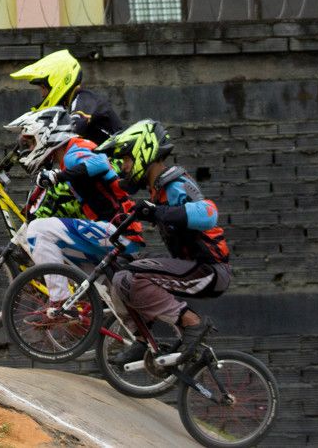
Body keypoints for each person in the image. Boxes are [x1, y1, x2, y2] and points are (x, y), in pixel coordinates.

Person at [96, 120, 230, 363]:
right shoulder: (157, 189)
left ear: (142, 151)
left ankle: (192, 322)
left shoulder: (175, 183)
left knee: (132, 276)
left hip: (209, 269)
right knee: (122, 276)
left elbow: (208, 213)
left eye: (126, 159)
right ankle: (143, 339)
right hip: (192, 269)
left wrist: (157, 212)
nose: (124, 167)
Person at [4, 107, 144, 307]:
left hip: (119, 233)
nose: (30, 148)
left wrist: (57, 176)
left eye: (32, 141)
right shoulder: (69, 157)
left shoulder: (74, 151)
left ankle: (60, 302)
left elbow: (101, 163)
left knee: (38, 230)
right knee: (66, 260)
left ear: (47, 135)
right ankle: (82, 319)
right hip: (114, 235)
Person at [10, 49, 122, 145]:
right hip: (99, 162)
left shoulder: (83, 100)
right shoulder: (72, 103)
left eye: (43, 88)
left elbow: (72, 131)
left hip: (116, 164)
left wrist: (39, 136)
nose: (42, 94)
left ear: (59, 81)